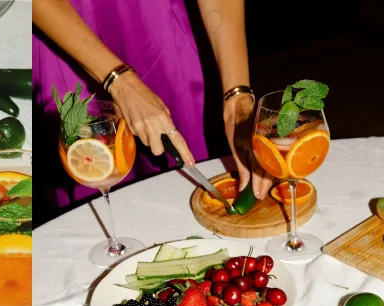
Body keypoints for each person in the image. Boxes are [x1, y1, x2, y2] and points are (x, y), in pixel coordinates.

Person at [33, 0, 273, 221]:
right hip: (64, 32)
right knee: (94, 202)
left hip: (160, 34)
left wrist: (237, 98)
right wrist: (120, 81)